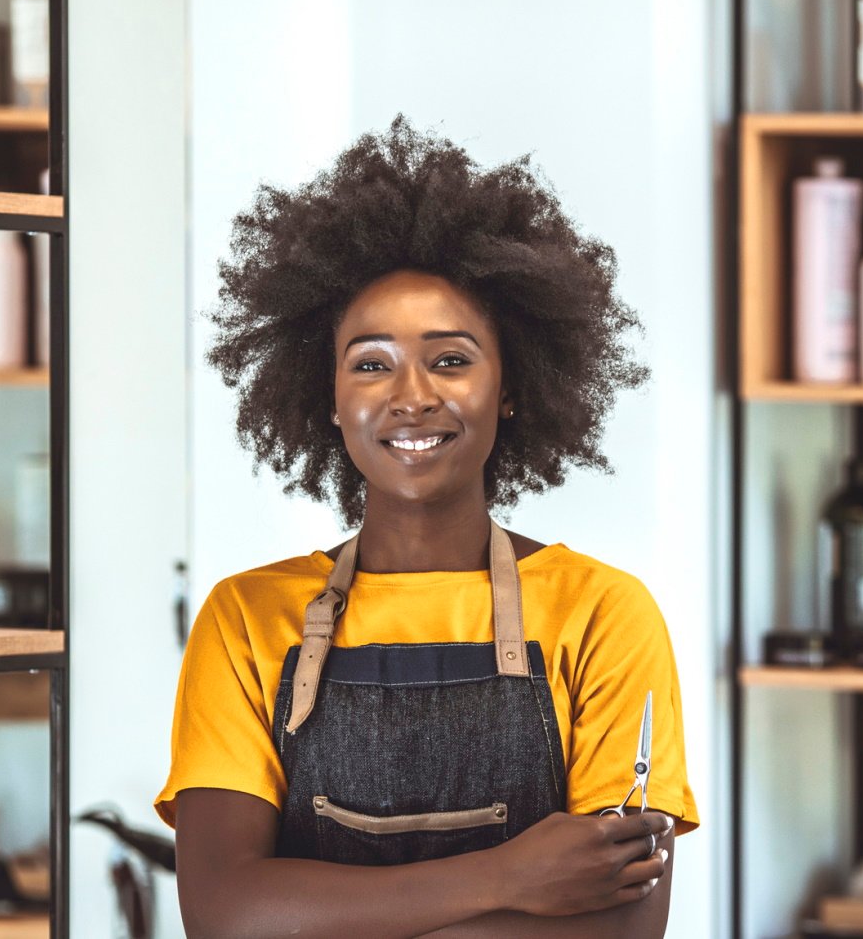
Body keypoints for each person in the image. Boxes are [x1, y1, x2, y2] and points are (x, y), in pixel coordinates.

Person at [155, 117, 699, 938]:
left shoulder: (605, 616)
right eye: (370, 364)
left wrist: (322, 916)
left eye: (450, 359)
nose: (411, 395)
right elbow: (226, 916)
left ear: (510, 387)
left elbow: (620, 929)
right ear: (330, 399)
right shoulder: (244, 620)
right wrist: (509, 876)